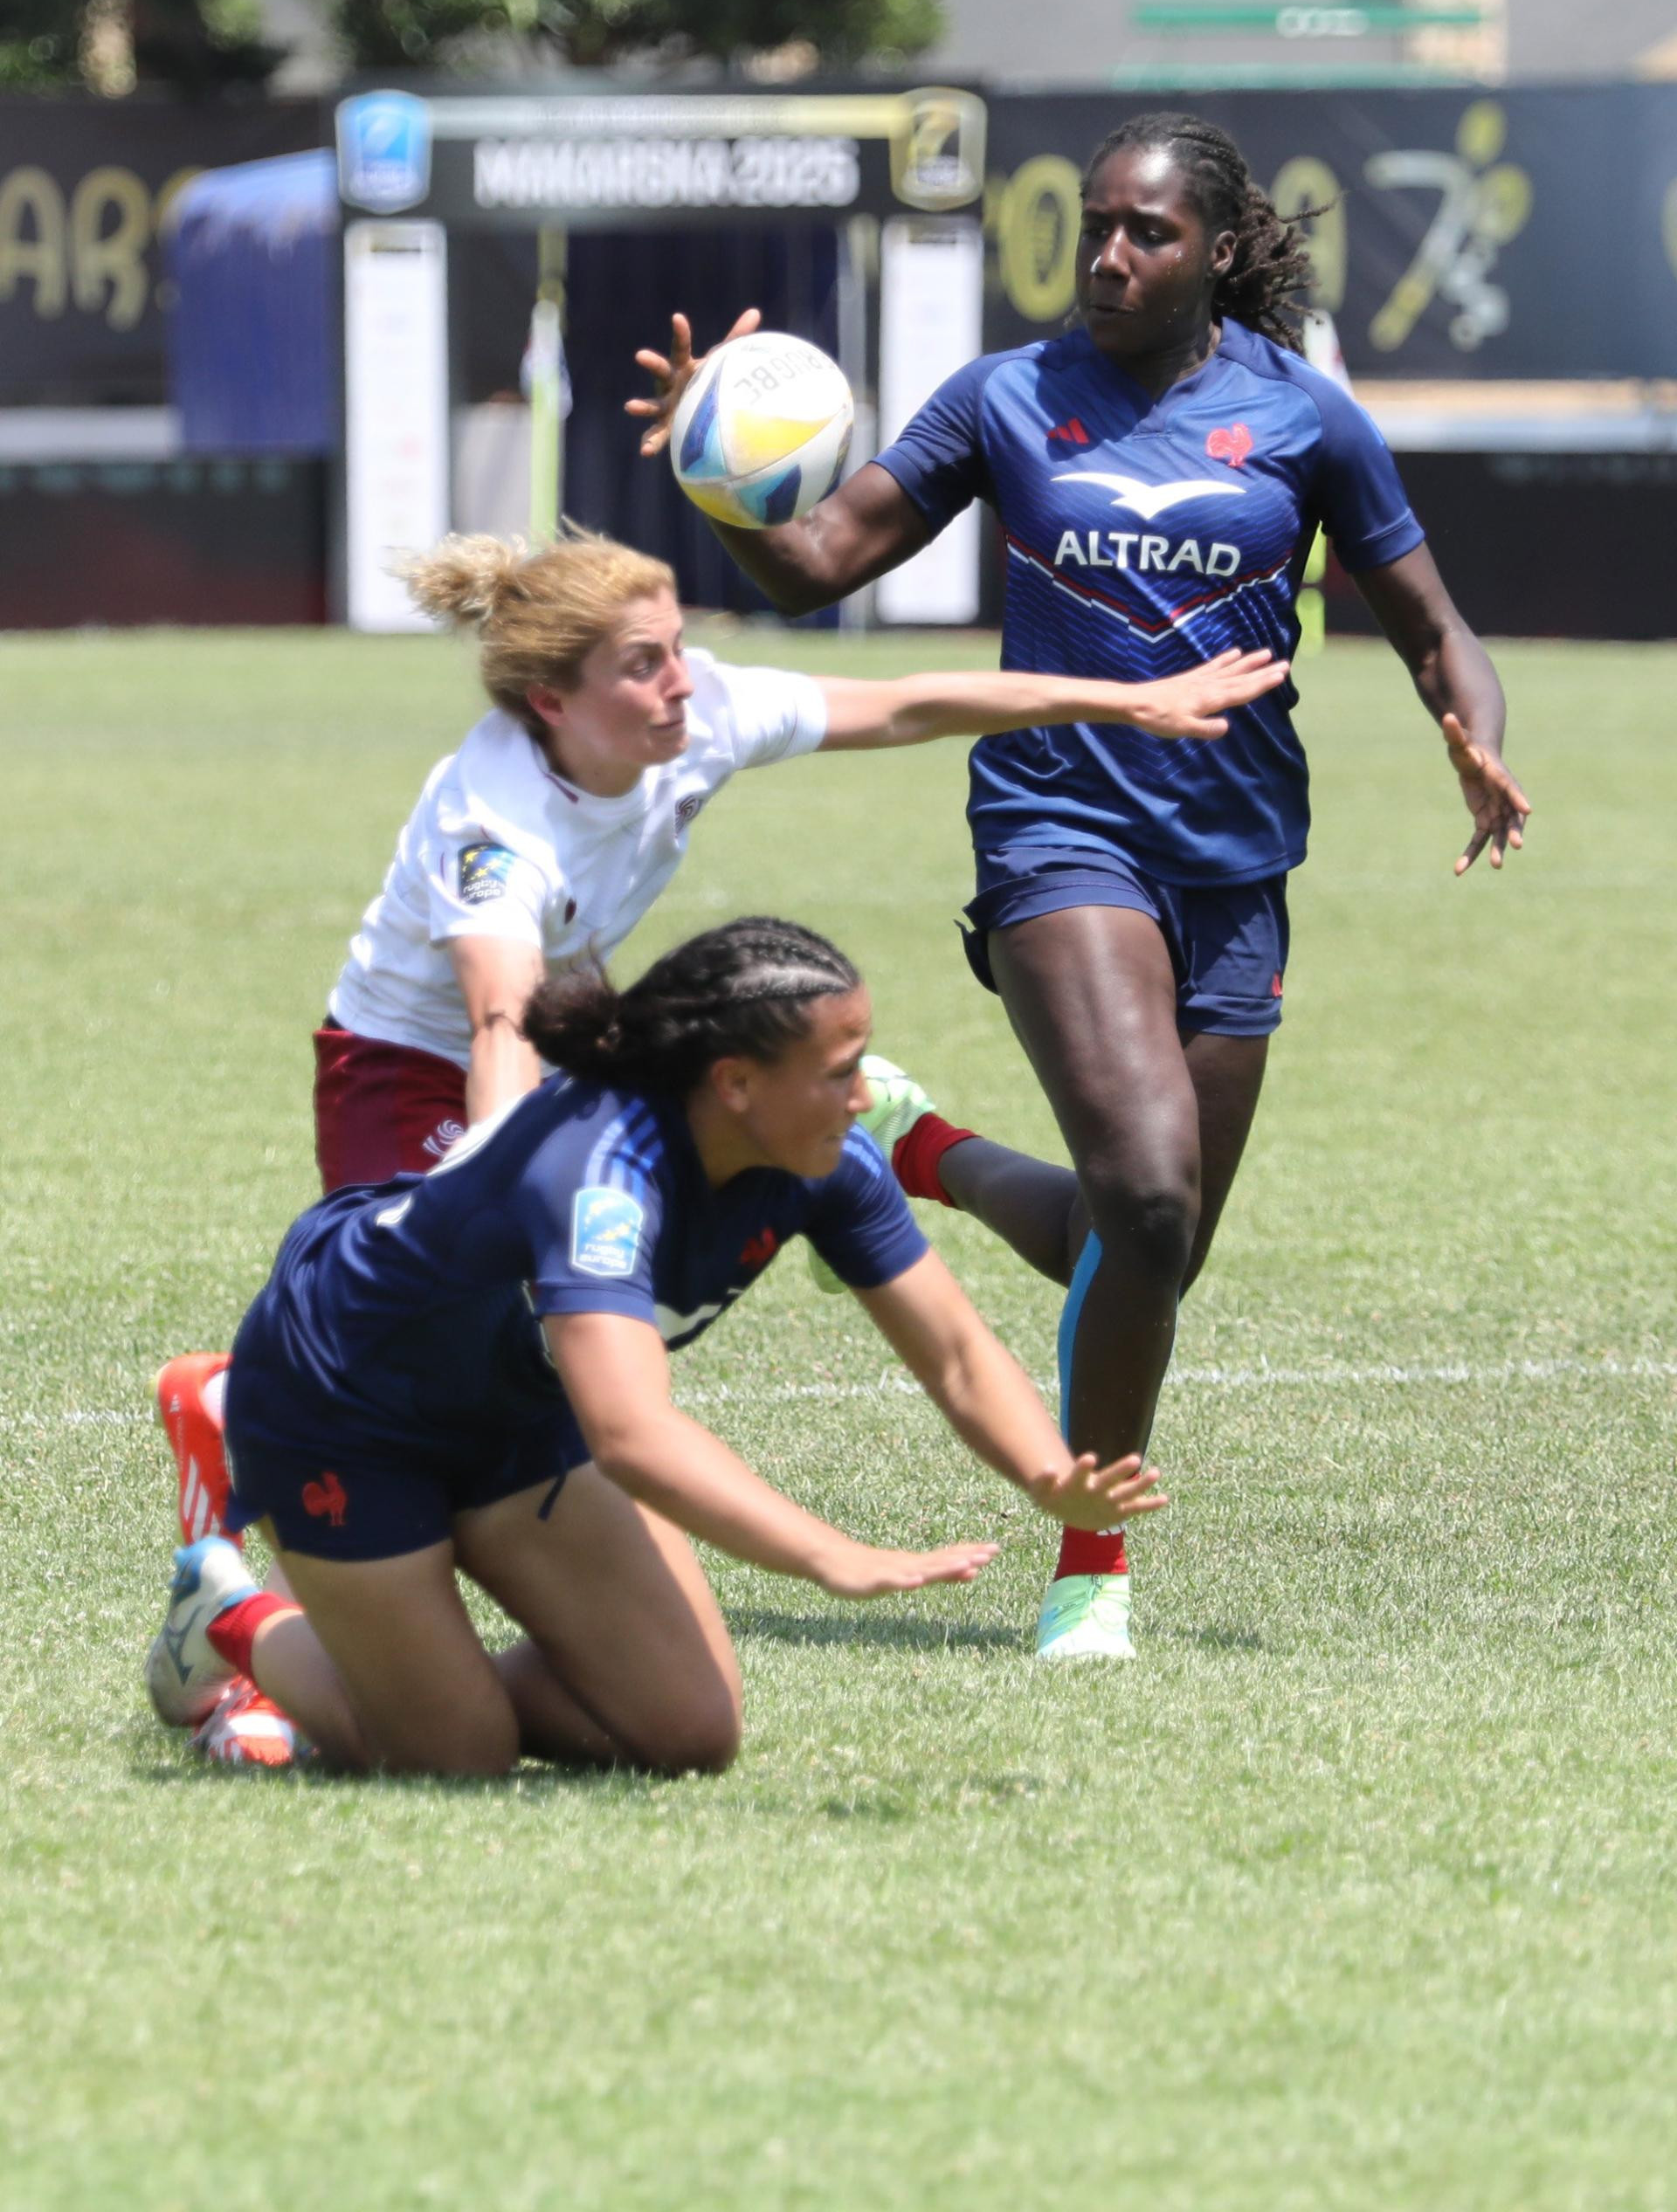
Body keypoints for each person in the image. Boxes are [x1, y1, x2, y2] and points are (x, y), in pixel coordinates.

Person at [628, 108, 1532, 1665]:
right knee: (1150, 1193)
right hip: (1058, 832)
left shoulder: (1303, 417)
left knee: (1150, 1238)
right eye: (1097, 227)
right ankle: (1090, 1569)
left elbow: (1436, 627)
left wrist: (1477, 738)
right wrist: (726, 481)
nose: (1107, 257)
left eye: (1146, 233)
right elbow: (822, 561)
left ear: (1218, 252)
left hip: (1238, 861)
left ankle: (918, 1148)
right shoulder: (1007, 398)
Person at [150, 522, 1279, 1751]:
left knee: (645, 1662)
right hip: (412, 1066)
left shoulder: (702, 717)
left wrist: (1127, 701)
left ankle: (418, 1612)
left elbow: (909, 703)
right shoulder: (494, 826)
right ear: (552, 702)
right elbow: (498, 1021)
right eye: (643, 664)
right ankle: (282, 1589)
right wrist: (520, 1184)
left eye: (678, 647)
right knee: (443, 1334)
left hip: (573, 1050)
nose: (681, 682)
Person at [144, 920, 1168, 1777]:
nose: (865, 1098)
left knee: (687, 1733)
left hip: (516, 1406)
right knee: (457, 1758)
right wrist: (834, 1557)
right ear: (736, 1083)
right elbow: (632, 1435)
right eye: (839, 1072)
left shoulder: (829, 1163)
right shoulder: (601, 1172)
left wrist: (1048, 1475)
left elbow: (955, 1354)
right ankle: (229, 1620)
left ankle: (411, 1678)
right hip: (343, 1400)